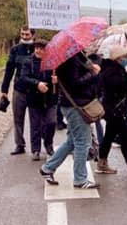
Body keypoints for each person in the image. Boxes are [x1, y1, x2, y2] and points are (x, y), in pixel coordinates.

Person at [40, 52, 102, 189]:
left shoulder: (73, 57)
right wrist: (92, 73)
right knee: (83, 143)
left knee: (72, 142)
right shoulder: (71, 60)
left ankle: (47, 169)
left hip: (73, 104)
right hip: (75, 105)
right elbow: (75, 83)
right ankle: (80, 179)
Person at [94, 46, 127, 176]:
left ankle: (102, 162)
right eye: (124, 57)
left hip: (113, 108)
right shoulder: (111, 70)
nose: (126, 59)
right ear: (117, 58)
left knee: (109, 135)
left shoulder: (115, 68)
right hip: (112, 108)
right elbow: (119, 86)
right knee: (125, 134)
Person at [17, 40, 57, 161]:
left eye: (41, 48)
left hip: (50, 97)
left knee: (51, 122)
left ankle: (48, 144)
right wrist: (37, 84)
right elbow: (23, 78)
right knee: (35, 125)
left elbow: (59, 77)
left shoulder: (52, 61)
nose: (38, 50)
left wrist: (56, 80)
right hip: (34, 97)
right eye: (37, 48)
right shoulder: (28, 61)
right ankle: (35, 149)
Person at [0, 27, 37, 155]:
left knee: (35, 119)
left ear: (32, 34)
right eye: (22, 34)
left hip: (34, 90)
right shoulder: (15, 49)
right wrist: (4, 89)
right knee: (18, 118)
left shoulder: (38, 49)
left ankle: (35, 147)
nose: (24, 36)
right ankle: (19, 144)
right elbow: (9, 69)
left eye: (27, 34)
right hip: (19, 89)